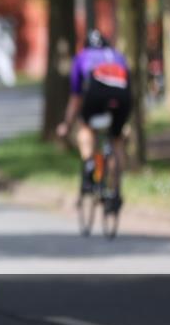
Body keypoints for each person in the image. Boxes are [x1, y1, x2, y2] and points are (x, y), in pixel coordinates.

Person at [56, 29, 132, 213]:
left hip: (96, 94)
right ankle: (115, 192)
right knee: (116, 141)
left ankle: (89, 162)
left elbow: (76, 98)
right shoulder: (118, 56)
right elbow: (128, 85)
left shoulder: (82, 57)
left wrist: (66, 124)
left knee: (86, 128)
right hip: (122, 97)